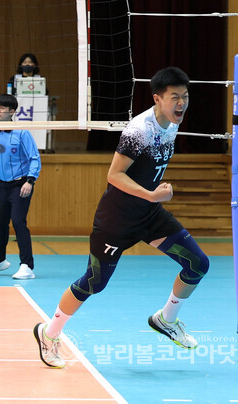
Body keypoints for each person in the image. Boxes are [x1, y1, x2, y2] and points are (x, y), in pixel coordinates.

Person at [33, 67, 210, 368]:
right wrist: (153, 194)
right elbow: (114, 175)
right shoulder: (139, 130)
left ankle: (166, 319)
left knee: (198, 264)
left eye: (185, 97)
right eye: (174, 98)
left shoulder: (172, 123)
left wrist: (152, 200)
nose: (181, 103)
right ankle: (48, 334)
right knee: (94, 282)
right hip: (116, 220)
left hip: (148, 215)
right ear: (158, 98)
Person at [0, 94, 41, 280]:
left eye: (2, 108)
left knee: (18, 222)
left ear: (12, 112)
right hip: (3, 186)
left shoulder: (22, 132)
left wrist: (30, 181)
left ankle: (27, 266)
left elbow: (34, 158)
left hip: (21, 184)